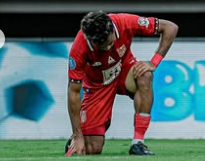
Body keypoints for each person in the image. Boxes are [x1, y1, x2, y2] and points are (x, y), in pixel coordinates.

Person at [66, 11, 178, 156]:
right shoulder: (79, 48)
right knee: (92, 149)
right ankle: (74, 139)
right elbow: (74, 93)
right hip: (97, 86)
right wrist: (78, 135)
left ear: (113, 29)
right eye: (102, 46)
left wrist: (153, 62)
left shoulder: (125, 22)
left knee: (145, 74)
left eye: (109, 43)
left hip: (124, 69)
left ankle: (138, 142)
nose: (107, 48)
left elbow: (170, 27)